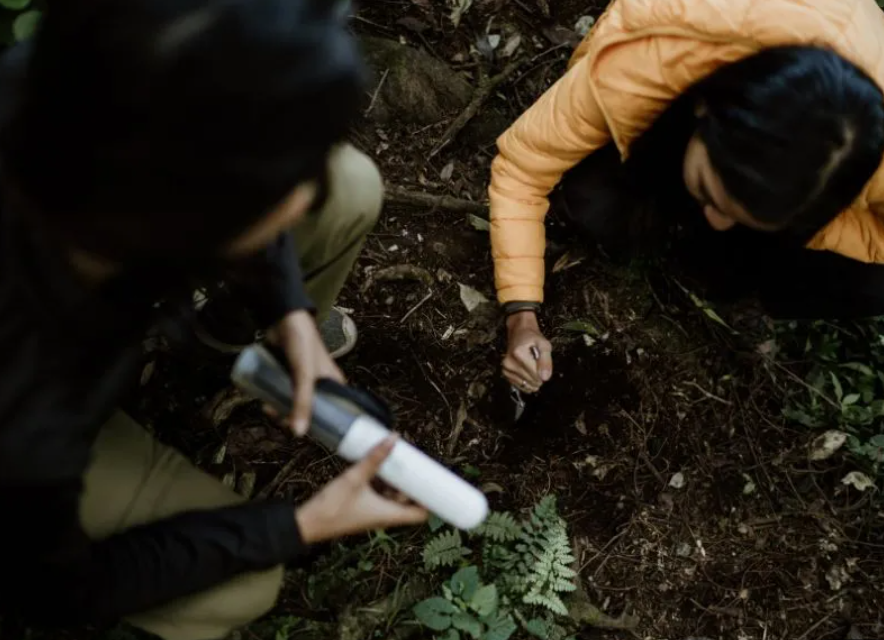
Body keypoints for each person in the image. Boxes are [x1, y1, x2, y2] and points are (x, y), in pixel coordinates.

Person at [0, 2, 426, 640]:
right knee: (241, 586)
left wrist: (292, 319)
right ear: (183, 231)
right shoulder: (30, 414)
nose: (303, 199)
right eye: (287, 191)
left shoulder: (74, 80)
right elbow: (63, 591)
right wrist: (297, 526)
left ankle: (218, 341)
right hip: (30, 471)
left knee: (351, 188)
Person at [489, 0, 884, 395]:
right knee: (594, 203)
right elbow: (522, 172)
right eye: (709, 194)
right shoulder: (645, 61)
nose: (715, 220)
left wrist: (812, 229)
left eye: (741, 215)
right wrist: (521, 315)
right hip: (672, 96)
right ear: (705, 105)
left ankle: (748, 259)